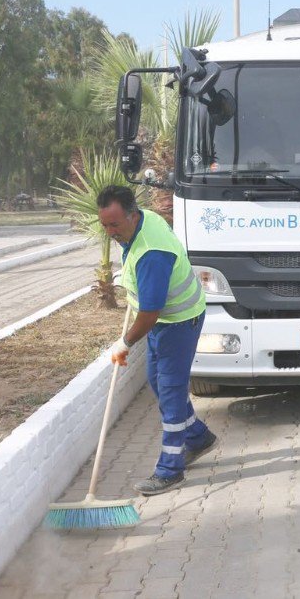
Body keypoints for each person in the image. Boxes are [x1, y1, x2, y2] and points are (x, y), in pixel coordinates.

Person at [98, 185, 217, 496]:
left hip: (178, 321)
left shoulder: (152, 254)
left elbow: (149, 315)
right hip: (166, 321)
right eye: (105, 225)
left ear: (132, 216)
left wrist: (123, 344)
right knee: (157, 381)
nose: (111, 232)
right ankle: (198, 437)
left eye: (115, 225)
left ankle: (170, 469)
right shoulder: (143, 220)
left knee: (171, 389)